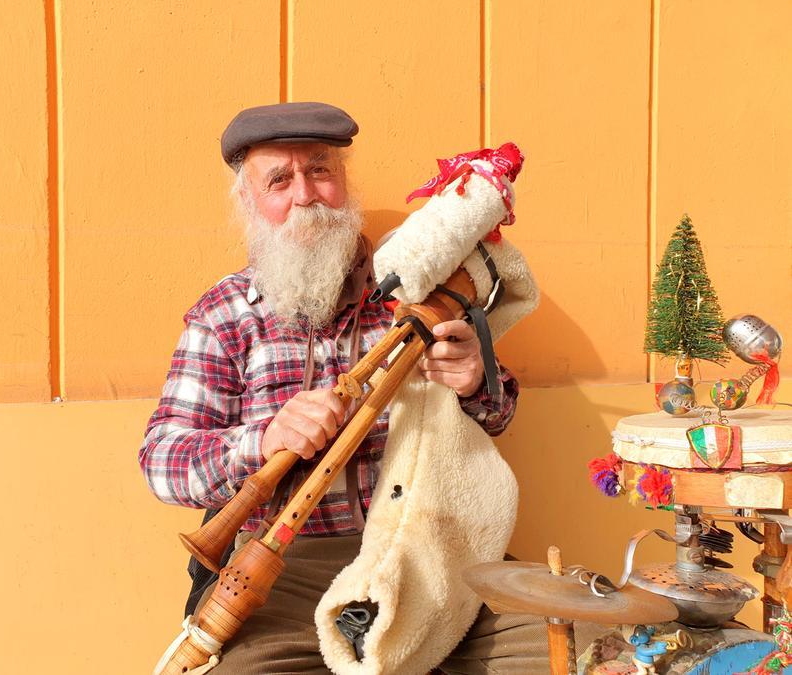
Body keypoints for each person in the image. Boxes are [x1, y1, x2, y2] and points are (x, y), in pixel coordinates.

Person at [139, 102, 589, 673]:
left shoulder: (417, 284)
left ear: (344, 183)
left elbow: (498, 416)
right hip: (286, 567)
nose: (305, 194)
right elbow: (163, 459)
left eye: (320, 171)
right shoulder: (225, 315)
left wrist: (476, 380)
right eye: (279, 180)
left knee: (578, 647)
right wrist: (264, 440)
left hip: (433, 552)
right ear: (249, 201)